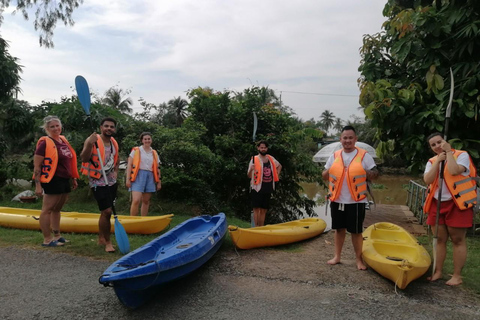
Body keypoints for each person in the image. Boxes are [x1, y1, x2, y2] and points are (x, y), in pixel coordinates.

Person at [423, 132, 477, 286]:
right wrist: (438, 162)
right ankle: (438, 271)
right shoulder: (432, 161)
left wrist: (448, 153)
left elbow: (454, 171)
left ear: (445, 141)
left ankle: (457, 275)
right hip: (437, 203)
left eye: (439, 142)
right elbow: (427, 179)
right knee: (439, 239)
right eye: (433, 145)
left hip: (457, 203)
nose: (437, 146)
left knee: (457, 239)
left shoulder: (461, 155)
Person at [322, 126, 378, 270]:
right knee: (339, 229)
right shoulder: (334, 156)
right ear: (341, 139)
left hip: (357, 201)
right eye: (345, 138)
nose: (347, 140)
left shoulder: (364, 156)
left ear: (355, 139)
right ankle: (337, 256)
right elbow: (324, 175)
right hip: (337, 199)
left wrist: (364, 170)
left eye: (350, 138)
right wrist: (331, 168)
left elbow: (376, 174)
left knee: (356, 231)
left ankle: (359, 260)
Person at [33, 115, 79, 247]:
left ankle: (57, 235)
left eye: (57, 125)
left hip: (64, 178)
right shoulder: (44, 143)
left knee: (57, 208)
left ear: (61, 126)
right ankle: (47, 239)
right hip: (52, 179)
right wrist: (38, 185)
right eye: (52, 126)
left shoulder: (63, 141)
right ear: (47, 128)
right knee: (47, 209)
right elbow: (37, 166)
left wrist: (73, 178)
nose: (55, 128)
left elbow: (68, 161)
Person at [80, 117, 119, 253]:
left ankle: (101, 237)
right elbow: (84, 158)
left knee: (105, 212)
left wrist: (116, 173)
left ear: (114, 129)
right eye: (106, 126)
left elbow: (116, 160)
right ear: (101, 127)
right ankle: (108, 242)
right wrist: (90, 144)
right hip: (97, 181)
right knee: (107, 211)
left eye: (112, 126)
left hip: (111, 182)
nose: (109, 128)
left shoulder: (114, 143)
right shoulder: (93, 140)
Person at [126, 132, 162, 216]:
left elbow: (158, 168)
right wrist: (128, 179)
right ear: (142, 140)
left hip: (150, 176)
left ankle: (143, 220)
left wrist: (159, 182)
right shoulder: (136, 150)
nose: (147, 140)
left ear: (151, 140)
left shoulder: (154, 153)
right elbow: (129, 165)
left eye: (149, 139)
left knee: (146, 201)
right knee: (136, 200)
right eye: (145, 139)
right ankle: (133, 221)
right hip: (138, 175)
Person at [247, 140, 282, 227]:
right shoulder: (254, 159)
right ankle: (256, 227)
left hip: (268, 186)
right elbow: (249, 175)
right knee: (256, 209)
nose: (263, 149)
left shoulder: (270, 158)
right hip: (257, 187)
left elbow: (279, 166)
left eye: (265, 148)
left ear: (267, 148)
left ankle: (261, 227)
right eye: (261, 147)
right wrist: (251, 169)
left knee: (263, 209)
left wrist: (276, 175)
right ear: (258, 148)